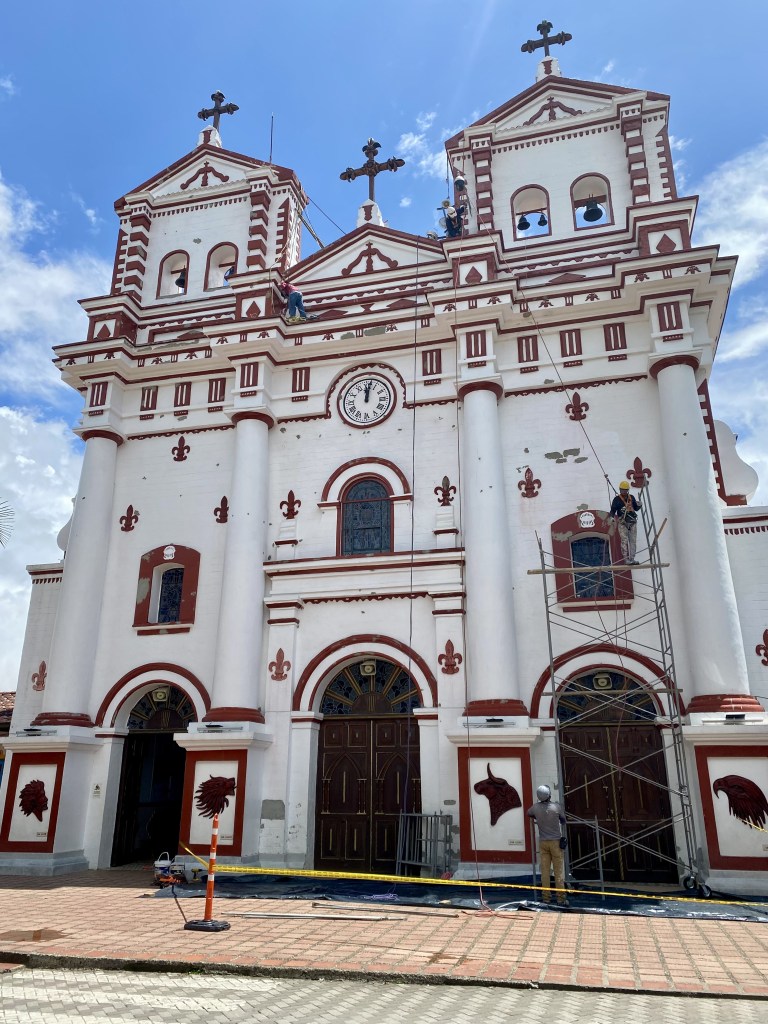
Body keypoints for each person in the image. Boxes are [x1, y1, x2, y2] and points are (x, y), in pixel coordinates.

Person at [527, 784, 568, 906]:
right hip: (555, 842)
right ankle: (560, 899)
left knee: (545, 872)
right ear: (549, 795)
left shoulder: (535, 808)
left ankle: (546, 898)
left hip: (543, 842)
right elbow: (563, 820)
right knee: (558, 871)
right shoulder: (556, 807)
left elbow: (528, 813)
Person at [610, 480, 641, 564]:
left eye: (625, 490)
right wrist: (611, 517)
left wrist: (639, 505)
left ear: (628, 490)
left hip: (632, 522)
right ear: (620, 490)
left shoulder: (631, 497)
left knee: (633, 541)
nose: (624, 491)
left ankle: (632, 558)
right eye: (622, 490)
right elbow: (613, 510)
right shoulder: (617, 499)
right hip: (623, 522)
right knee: (624, 540)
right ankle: (626, 559)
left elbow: (636, 508)